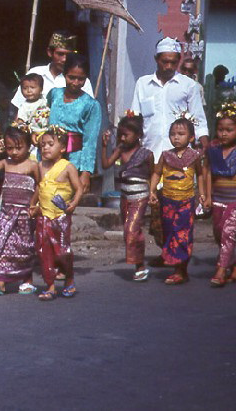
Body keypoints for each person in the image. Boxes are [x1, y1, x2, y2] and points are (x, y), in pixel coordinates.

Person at [0, 124, 40, 296]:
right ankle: (0, 281)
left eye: (18, 148)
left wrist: (34, 205)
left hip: (25, 213)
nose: (14, 152)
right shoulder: (5, 163)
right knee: (3, 244)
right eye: (9, 148)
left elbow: (41, 186)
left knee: (24, 246)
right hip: (7, 212)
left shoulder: (32, 165)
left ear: (29, 146)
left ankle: (27, 280)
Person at [148, 117, 205, 285]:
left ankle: (180, 270)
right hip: (167, 201)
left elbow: (200, 175)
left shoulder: (194, 156)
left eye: (181, 134)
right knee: (169, 232)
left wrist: (202, 194)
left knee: (182, 234)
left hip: (186, 201)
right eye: (173, 134)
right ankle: (176, 266)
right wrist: (152, 190)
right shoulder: (166, 156)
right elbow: (157, 173)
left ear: (191, 137)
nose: (176, 137)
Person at [131, 38, 209, 158]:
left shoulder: (189, 85)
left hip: (181, 155)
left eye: (173, 63)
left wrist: (205, 146)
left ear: (179, 61)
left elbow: (198, 120)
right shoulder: (142, 84)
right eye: (165, 62)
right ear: (156, 59)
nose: (169, 66)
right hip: (150, 153)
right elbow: (135, 118)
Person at [101, 113, 154, 281]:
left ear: (138, 135)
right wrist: (104, 147)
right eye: (121, 134)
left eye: (126, 135)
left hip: (140, 197)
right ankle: (139, 264)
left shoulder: (146, 154)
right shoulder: (120, 150)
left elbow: (154, 174)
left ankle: (140, 266)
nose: (123, 138)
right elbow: (106, 164)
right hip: (125, 197)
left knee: (131, 230)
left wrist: (152, 192)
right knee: (129, 231)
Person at [32, 126, 82, 301]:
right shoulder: (40, 166)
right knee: (43, 251)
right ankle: (50, 286)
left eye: (50, 144)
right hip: (43, 215)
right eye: (43, 145)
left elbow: (79, 189)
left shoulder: (68, 167)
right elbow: (39, 187)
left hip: (60, 216)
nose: (45, 148)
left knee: (62, 251)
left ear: (62, 148)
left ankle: (69, 280)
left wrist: (73, 204)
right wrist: (33, 205)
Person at [45, 53, 101, 195]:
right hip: (47, 156)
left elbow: (90, 141)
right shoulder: (54, 95)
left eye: (81, 79)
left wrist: (85, 173)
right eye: (71, 77)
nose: (75, 83)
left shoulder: (91, 105)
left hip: (73, 160)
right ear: (64, 74)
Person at [11, 31, 93, 111]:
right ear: (50, 52)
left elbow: (88, 111)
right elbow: (18, 106)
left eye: (68, 55)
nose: (64, 59)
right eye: (60, 54)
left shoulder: (80, 80)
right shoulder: (35, 73)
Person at [203, 103, 236, 287]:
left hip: (234, 201)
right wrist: (207, 196)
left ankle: (221, 270)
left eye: (229, 130)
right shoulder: (213, 151)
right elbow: (207, 172)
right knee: (219, 233)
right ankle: (233, 264)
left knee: (228, 233)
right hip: (218, 200)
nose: (224, 133)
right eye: (221, 129)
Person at [15, 73, 50, 157]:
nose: (29, 91)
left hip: (48, 132)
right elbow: (20, 122)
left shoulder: (45, 100)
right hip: (34, 135)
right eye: (25, 88)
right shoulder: (24, 106)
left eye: (32, 88)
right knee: (35, 156)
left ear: (41, 89)